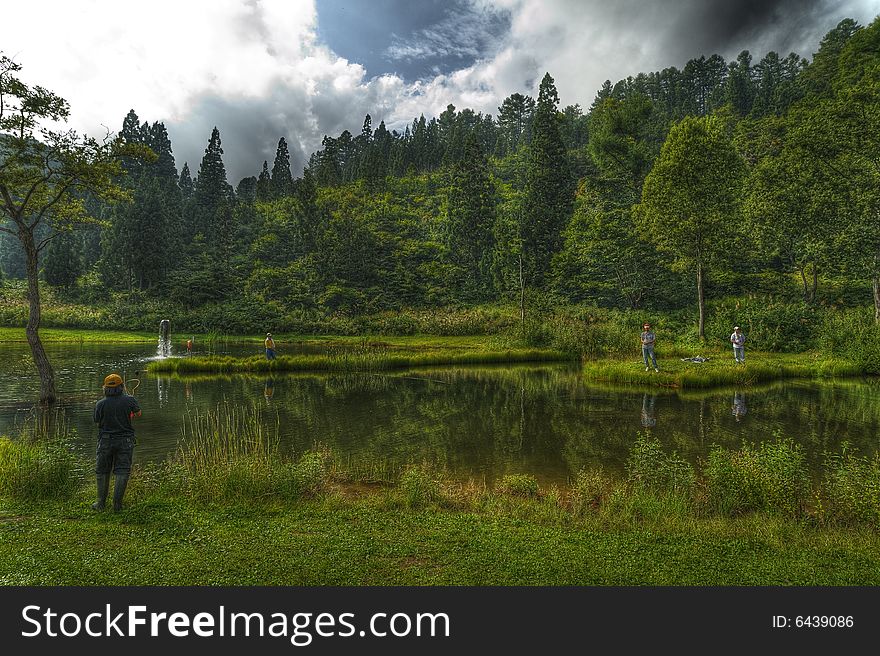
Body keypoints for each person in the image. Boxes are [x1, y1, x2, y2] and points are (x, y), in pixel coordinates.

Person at [92, 373, 141, 512]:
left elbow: (96, 421)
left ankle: (100, 504)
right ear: (121, 386)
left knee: (102, 471)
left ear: (105, 388)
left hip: (105, 441)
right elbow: (138, 414)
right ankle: (117, 505)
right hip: (125, 441)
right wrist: (129, 413)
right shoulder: (130, 400)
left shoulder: (100, 404)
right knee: (122, 471)